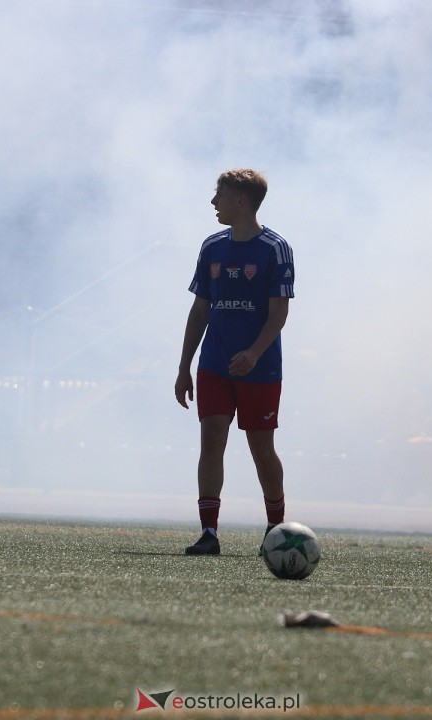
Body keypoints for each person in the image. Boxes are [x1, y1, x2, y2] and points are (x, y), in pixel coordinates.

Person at [175, 169, 294, 555]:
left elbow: (278, 313)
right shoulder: (212, 247)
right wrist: (183, 367)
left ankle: (275, 529)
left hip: (259, 367)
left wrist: (254, 353)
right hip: (214, 364)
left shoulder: (275, 248)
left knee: (261, 447)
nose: (213, 202)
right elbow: (200, 310)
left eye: (219, 195)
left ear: (240, 199)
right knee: (211, 440)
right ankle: (209, 533)